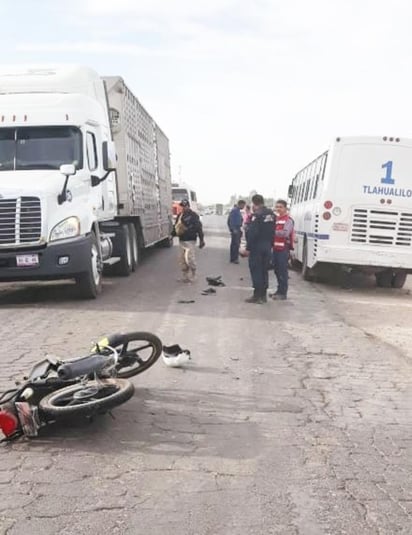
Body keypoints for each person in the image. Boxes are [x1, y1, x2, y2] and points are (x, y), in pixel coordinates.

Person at [243, 194, 275, 304]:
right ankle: (263, 296)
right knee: (264, 271)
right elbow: (273, 231)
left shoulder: (256, 215)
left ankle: (257, 296)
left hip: (257, 247)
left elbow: (252, 233)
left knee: (256, 270)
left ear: (254, 203)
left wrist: (248, 248)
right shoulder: (271, 214)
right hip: (267, 246)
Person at [172, 199, 205, 282]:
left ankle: (194, 274)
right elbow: (176, 227)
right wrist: (172, 234)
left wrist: (201, 240)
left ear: (188, 206)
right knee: (182, 259)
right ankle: (185, 276)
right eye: (182, 206)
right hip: (182, 240)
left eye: (185, 206)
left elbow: (199, 228)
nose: (183, 208)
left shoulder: (194, 216)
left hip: (190, 240)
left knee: (189, 258)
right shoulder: (180, 216)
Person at [271, 199, 294, 300]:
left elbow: (285, 233)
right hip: (275, 249)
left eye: (280, 207)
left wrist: (273, 232)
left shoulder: (288, 220)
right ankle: (279, 291)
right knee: (276, 270)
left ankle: (283, 293)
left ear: (285, 208)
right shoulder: (276, 219)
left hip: (283, 249)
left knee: (282, 271)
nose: (278, 209)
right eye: (277, 207)